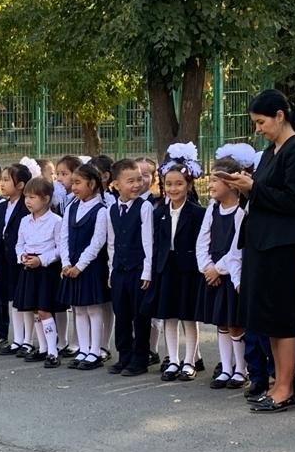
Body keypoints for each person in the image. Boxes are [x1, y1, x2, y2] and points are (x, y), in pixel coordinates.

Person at [222, 89, 295, 412]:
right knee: (269, 319)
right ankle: (278, 383)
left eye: (261, 122)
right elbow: (264, 194)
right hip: (261, 244)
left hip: (282, 246)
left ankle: (286, 387)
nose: (258, 129)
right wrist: (244, 186)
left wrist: (254, 188)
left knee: (281, 318)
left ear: (280, 116)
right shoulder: (270, 152)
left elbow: (294, 201)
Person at [150, 154, 204, 382]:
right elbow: (156, 244)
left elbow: (201, 243)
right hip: (167, 268)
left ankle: (190, 361)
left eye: (179, 184)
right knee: (169, 316)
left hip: (188, 271)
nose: (173, 188)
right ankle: (173, 360)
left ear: (189, 185)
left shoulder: (197, 213)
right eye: (169, 184)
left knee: (188, 317)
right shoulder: (159, 212)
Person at [196, 159, 246, 389]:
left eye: (215, 180)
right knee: (221, 323)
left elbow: (237, 248)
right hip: (213, 274)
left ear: (232, 183)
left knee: (235, 323)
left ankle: (241, 369)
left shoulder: (241, 211)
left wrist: (218, 269)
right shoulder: (212, 209)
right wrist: (207, 267)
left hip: (231, 274)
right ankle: (226, 368)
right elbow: (202, 241)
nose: (210, 185)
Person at [57, 162, 108, 371]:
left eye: (78, 182)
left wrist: (80, 266)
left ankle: (95, 351)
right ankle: (83, 349)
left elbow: (97, 242)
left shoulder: (101, 211)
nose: (74, 187)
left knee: (93, 310)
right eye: (73, 182)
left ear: (92, 184)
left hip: (90, 268)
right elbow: (64, 237)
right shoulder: (72, 207)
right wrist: (66, 262)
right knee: (78, 310)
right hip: (71, 267)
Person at [105, 159, 153, 377]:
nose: (136, 185)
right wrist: (111, 271)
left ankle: (140, 358)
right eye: (130, 181)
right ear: (116, 184)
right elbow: (112, 243)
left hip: (138, 269)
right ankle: (124, 355)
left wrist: (147, 271)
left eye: (139, 180)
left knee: (139, 315)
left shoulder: (145, 207)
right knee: (121, 315)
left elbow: (148, 241)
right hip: (119, 270)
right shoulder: (111, 210)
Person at [12, 177, 64, 367]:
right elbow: (19, 244)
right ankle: (42, 348)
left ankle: (53, 351)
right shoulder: (25, 221)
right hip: (29, 268)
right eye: (26, 197)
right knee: (35, 309)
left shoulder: (56, 221)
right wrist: (22, 256)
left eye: (32, 197)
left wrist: (41, 260)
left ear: (46, 199)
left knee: (44, 309)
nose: (28, 201)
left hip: (46, 270)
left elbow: (60, 249)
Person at [0, 164, 31, 355]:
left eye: (7, 180)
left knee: (24, 301)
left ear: (20, 185)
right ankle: (17, 340)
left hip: (21, 260)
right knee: (11, 299)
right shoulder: (2, 206)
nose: (2, 184)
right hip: (4, 260)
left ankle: (27, 340)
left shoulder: (26, 205)